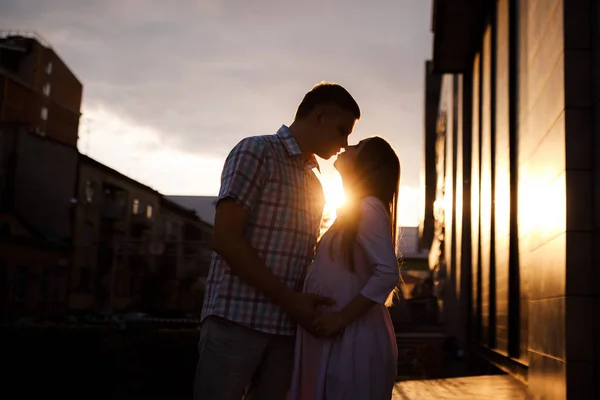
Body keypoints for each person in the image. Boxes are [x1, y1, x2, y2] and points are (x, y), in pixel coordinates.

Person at [194, 82, 361, 400]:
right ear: (320, 115)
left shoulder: (316, 185)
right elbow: (226, 238)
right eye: (342, 130)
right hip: (235, 319)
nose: (344, 143)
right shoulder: (256, 151)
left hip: (286, 331)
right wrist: (291, 300)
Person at [290, 137, 401, 400]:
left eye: (357, 145)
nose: (346, 145)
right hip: (339, 337)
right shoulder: (353, 212)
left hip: (351, 340)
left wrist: (339, 319)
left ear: (368, 164)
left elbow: (387, 272)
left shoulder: (368, 208)